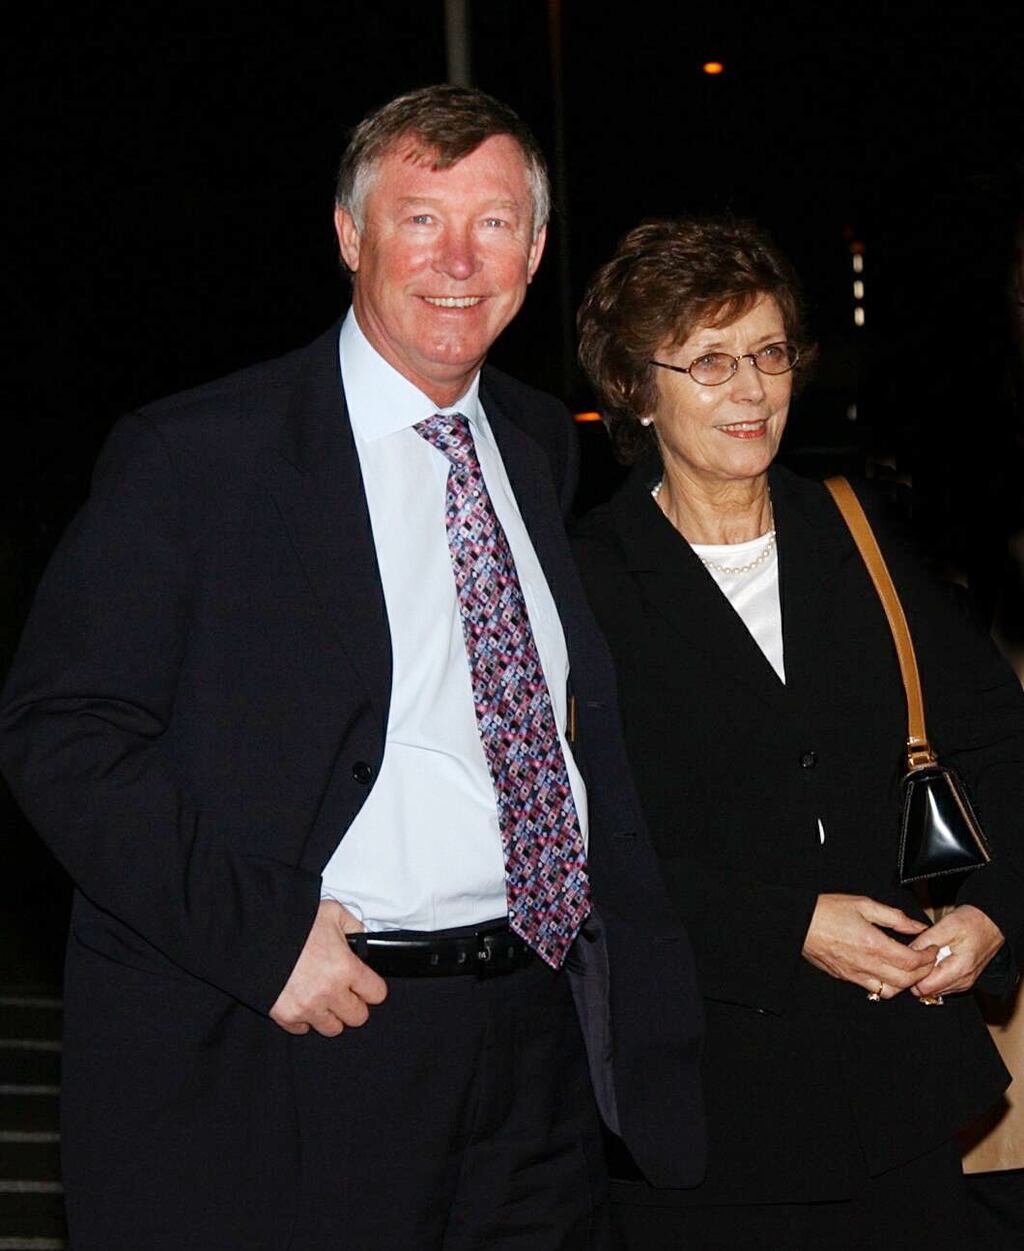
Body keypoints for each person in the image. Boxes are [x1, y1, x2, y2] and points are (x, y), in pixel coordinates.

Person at [0, 89, 704, 1250]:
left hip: (537, 1049)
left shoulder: (535, 446)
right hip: (305, 1042)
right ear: (349, 236)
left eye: (493, 224)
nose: (458, 261)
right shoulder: (199, 456)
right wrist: (260, 934)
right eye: (420, 219)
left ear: (533, 250)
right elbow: (60, 729)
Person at [572, 216, 1024, 1249]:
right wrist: (787, 929)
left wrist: (995, 910)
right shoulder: (586, 581)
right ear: (639, 389)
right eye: (712, 361)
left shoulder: (857, 532)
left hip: (896, 1089)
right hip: (707, 1103)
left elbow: (1003, 749)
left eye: (770, 354)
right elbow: (587, 848)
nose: (752, 389)